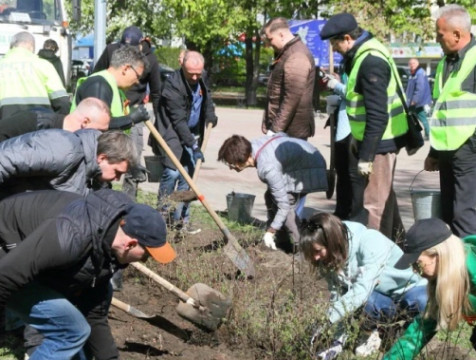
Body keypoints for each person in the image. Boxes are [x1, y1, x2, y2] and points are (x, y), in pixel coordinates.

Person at [0, 189, 176, 359]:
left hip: (28, 261)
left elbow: (94, 313)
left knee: (98, 299)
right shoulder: (70, 237)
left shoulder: (106, 244)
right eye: (145, 255)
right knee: (71, 330)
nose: (144, 261)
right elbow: (5, 277)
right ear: (129, 244)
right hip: (6, 259)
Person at [320, 13, 407, 241]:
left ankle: (373, 263)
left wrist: (366, 155)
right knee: (385, 199)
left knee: (374, 205)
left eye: (335, 44)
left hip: (380, 143)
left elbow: (378, 115)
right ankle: (402, 246)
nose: (334, 49)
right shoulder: (362, 54)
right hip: (370, 140)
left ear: (347, 38)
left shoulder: (370, 61)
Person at [301, 213, 427, 359]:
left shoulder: (370, 241)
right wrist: (337, 341)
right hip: (379, 298)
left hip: (407, 290)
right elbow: (339, 298)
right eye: (311, 253)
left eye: (317, 251)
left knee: (423, 300)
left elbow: (362, 290)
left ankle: (407, 332)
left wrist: (327, 320)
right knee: (363, 302)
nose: (315, 258)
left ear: (332, 242)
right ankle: (373, 332)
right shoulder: (328, 259)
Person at [383, 218, 476, 359]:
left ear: (438, 255)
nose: (415, 271)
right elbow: (419, 332)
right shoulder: (446, 282)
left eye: (418, 264)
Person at [218, 133, 327, 251]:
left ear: (243, 159)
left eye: (232, 163)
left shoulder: (267, 167)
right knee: (270, 196)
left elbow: (284, 205)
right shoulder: (253, 147)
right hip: (299, 162)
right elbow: (282, 135)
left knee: (287, 210)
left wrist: (271, 231)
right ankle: (282, 242)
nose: (231, 167)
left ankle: (302, 249)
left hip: (308, 168)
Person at [149, 50, 218, 234]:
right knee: (172, 172)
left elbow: (207, 98)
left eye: (198, 73)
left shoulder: (200, 77)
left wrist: (211, 116)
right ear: (182, 67)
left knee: (187, 175)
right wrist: (193, 145)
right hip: (171, 132)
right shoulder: (172, 86)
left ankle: (180, 220)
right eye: (191, 73)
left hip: (192, 132)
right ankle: (161, 215)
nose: (195, 77)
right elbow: (178, 121)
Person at [424, 5, 476, 238]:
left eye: (440, 34)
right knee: (449, 212)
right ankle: (454, 268)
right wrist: (434, 152)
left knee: (465, 214)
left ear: (457, 34)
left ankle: (469, 271)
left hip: (469, 150)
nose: (437, 39)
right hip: (448, 151)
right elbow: (442, 110)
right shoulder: (447, 61)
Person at [93, 26, 162, 199]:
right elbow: (96, 75)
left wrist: (159, 122)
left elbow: (156, 93)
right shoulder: (111, 50)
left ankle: (128, 201)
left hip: (135, 115)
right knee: (104, 154)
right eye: (124, 47)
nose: (126, 51)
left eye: (130, 48)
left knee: (133, 160)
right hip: (110, 111)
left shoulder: (151, 60)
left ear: (141, 44)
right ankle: (100, 195)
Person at [0, 129, 136, 199]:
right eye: (117, 172)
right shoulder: (66, 149)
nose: (117, 179)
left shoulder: (92, 178)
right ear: (102, 158)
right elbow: (5, 160)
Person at [72, 44, 150, 132]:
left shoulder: (116, 89)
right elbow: (95, 124)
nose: (137, 81)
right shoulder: (98, 85)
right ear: (126, 69)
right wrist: (130, 119)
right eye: (137, 76)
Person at [261, 17, 316, 140]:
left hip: (291, 132)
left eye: (270, 39)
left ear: (281, 34)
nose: (269, 44)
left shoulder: (297, 55)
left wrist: (275, 130)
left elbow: (291, 99)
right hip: (286, 130)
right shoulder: (288, 52)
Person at [0, 31, 70, 119]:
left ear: (11, 46)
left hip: (4, 127)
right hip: (39, 127)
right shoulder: (45, 66)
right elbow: (62, 102)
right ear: (32, 46)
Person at [0, 97, 111, 142]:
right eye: (100, 131)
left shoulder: (77, 145)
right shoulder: (33, 122)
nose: (101, 136)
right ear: (85, 122)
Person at [325, 71, 356, 220]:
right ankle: (341, 213)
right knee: (342, 174)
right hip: (343, 129)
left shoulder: (362, 63)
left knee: (350, 177)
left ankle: (350, 215)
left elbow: (355, 95)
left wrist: (337, 86)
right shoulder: (348, 65)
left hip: (353, 129)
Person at [406, 58, 432, 140]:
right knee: (416, 118)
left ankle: (427, 134)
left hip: (417, 101)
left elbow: (419, 88)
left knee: (419, 117)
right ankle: (420, 134)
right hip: (414, 100)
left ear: (417, 64)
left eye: (413, 63)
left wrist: (414, 100)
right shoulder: (413, 73)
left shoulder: (419, 73)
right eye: (410, 64)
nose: (411, 65)